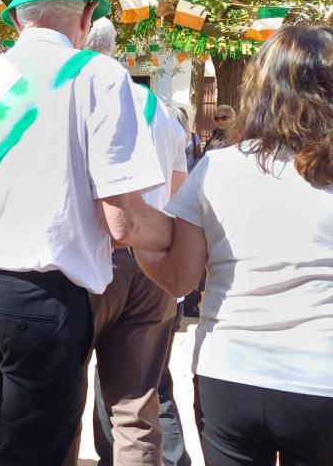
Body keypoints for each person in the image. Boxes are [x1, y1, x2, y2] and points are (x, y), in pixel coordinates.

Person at [0, 0, 172, 465]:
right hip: (38, 295)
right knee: (34, 454)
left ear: (18, 16)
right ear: (86, 17)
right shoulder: (97, 75)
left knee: (7, 444)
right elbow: (125, 219)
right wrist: (181, 237)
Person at [136, 25, 333, 466]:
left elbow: (179, 278)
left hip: (232, 373)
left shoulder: (218, 169)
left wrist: (136, 237)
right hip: (322, 377)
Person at [84, 18, 190, 466]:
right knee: (140, 396)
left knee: (62, 393)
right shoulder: (159, 109)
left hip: (94, 260)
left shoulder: (79, 98)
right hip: (153, 265)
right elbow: (179, 190)